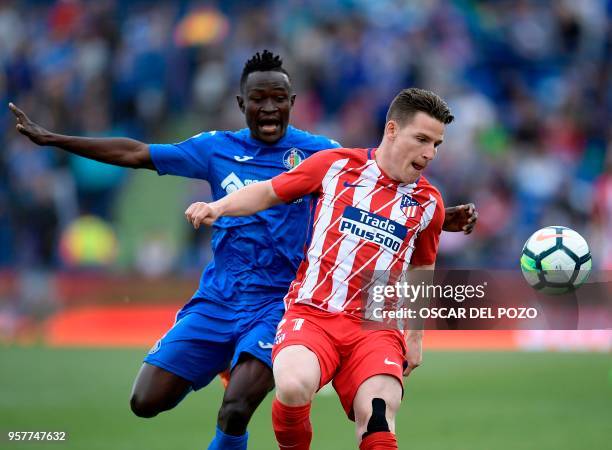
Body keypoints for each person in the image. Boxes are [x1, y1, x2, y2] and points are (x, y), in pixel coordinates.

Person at [10, 51, 475, 450]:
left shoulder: (320, 153)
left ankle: (240, 392)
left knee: (237, 408)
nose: (270, 109)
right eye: (259, 100)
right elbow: (137, 152)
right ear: (242, 104)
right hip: (219, 297)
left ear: (293, 104)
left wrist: (442, 216)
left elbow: (382, 197)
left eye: (279, 100)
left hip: (283, 304)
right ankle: (226, 360)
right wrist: (56, 140)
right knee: (145, 402)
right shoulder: (215, 149)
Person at [185, 87, 454, 449]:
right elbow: (267, 192)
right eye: (421, 139)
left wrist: (416, 336)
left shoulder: (429, 203)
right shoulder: (337, 165)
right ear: (392, 130)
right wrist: (218, 207)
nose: (429, 153)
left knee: (378, 415)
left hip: (375, 325)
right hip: (314, 313)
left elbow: (423, 266)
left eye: (436, 144)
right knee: (293, 385)